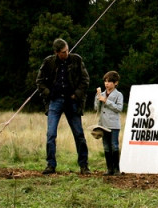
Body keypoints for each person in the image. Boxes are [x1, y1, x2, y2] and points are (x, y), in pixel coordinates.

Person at [36, 38, 91, 175]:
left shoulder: (76, 59)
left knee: (79, 134)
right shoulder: (48, 62)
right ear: (56, 53)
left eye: (67, 50)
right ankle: (51, 165)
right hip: (55, 101)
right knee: (51, 134)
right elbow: (39, 81)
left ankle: (84, 166)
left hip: (72, 101)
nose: (66, 53)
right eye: (63, 52)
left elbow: (85, 80)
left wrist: (76, 95)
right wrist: (49, 93)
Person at [94, 71, 124, 175]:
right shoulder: (100, 94)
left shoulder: (118, 95)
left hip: (114, 125)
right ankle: (109, 169)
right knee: (106, 146)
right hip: (103, 124)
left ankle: (116, 169)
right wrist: (98, 98)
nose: (107, 84)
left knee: (114, 145)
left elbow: (119, 108)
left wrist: (106, 101)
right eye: (105, 81)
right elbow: (96, 108)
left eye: (110, 81)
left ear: (115, 83)